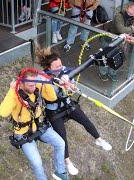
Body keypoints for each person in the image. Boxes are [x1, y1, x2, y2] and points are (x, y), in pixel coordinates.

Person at [36, 47, 112, 176]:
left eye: (60, 64)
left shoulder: (63, 70)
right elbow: (46, 87)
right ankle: (67, 161)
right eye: (57, 66)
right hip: (54, 111)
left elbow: (72, 70)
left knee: (85, 120)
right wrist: (59, 82)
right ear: (49, 67)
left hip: (67, 104)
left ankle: (99, 139)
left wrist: (68, 78)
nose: (60, 67)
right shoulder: (43, 77)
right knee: (62, 136)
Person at [0, 70, 68, 180]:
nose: (33, 88)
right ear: (21, 83)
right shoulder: (15, 95)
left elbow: (52, 98)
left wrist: (47, 83)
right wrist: (12, 90)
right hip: (23, 133)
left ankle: (60, 172)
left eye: (34, 84)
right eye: (30, 85)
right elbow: (3, 112)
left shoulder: (36, 86)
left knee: (60, 143)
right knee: (37, 163)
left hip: (39, 126)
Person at [98, 2, 134, 81]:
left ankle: (112, 73)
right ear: (127, 8)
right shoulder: (119, 16)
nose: (130, 13)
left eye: (133, 12)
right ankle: (102, 73)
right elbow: (121, 29)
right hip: (108, 37)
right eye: (129, 10)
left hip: (120, 41)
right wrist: (132, 28)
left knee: (116, 57)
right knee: (104, 56)